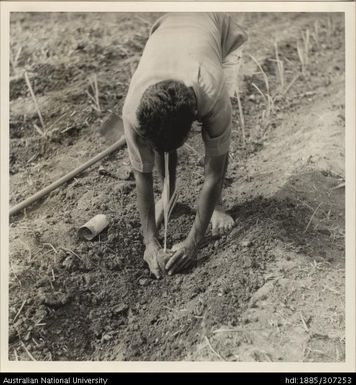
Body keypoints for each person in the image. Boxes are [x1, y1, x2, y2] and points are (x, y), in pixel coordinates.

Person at [122, 12, 248, 278]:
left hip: (220, 31)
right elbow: (141, 176)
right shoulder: (133, 111)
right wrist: (150, 243)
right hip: (168, 26)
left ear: (194, 121)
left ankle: (218, 206)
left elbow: (214, 173)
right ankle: (170, 194)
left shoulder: (213, 95)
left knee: (217, 153)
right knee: (162, 144)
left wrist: (193, 243)